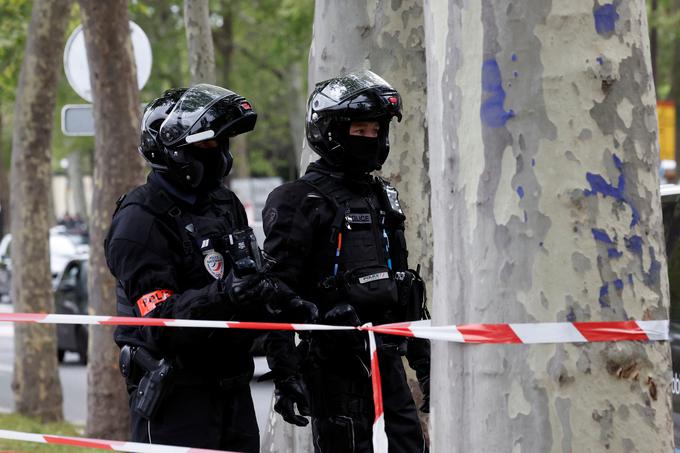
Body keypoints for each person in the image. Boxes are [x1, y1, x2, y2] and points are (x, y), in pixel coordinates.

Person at [106, 84, 314, 451]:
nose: (218, 154)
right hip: (176, 397)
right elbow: (159, 324)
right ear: (172, 151)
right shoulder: (139, 221)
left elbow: (255, 282)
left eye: (222, 143)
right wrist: (225, 294)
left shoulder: (224, 204)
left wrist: (287, 365)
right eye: (206, 145)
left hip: (233, 389)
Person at [262, 70, 431, 453]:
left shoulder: (382, 194)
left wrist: (425, 362)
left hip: (387, 362)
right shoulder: (298, 200)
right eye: (360, 130)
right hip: (333, 368)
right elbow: (275, 293)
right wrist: (285, 375)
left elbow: (403, 283)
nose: (370, 139)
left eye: (376, 130)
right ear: (331, 131)